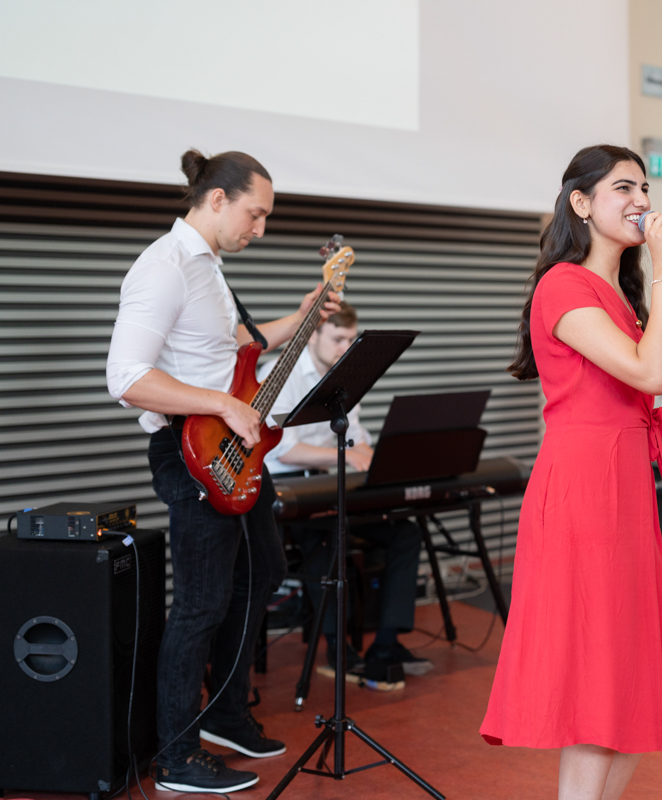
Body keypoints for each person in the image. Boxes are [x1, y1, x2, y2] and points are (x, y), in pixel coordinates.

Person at [105, 149, 340, 793]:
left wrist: (303, 316)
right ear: (216, 200)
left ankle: (227, 717)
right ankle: (178, 757)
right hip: (192, 452)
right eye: (254, 215)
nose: (259, 230)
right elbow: (126, 377)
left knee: (263, 571)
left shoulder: (208, 268)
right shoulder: (164, 267)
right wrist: (223, 404)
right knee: (201, 604)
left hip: (234, 450)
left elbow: (230, 348)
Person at [480, 145, 662, 800]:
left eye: (646, 189)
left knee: (632, 690)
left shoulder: (618, 298)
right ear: (581, 203)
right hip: (586, 490)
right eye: (624, 188)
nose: (642, 202)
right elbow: (652, 373)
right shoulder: (564, 286)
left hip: (625, 486)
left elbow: (646, 383)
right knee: (599, 680)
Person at [259, 300, 432, 682]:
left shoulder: (346, 376)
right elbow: (281, 446)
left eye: (351, 340)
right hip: (290, 491)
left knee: (405, 533)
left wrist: (370, 452)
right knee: (328, 542)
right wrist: (346, 458)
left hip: (335, 486)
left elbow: (356, 435)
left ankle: (386, 643)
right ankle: (338, 649)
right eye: (338, 339)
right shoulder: (279, 374)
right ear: (314, 336)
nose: (345, 348)